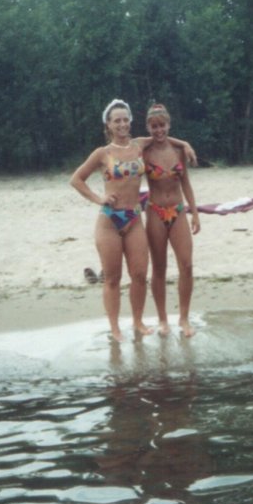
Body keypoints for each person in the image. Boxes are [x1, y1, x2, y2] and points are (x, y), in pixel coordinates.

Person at [70, 99, 195, 342]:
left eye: (126, 119)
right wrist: (98, 198)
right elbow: (76, 179)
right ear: (108, 124)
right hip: (110, 220)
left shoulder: (139, 145)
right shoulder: (102, 153)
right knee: (113, 278)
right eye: (117, 120)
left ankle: (137, 321)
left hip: (135, 217)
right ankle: (115, 328)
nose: (122, 124)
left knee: (139, 275)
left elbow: (165, 137)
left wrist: (186, 143)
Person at [142, 104, 200, 338]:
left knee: (186, 265)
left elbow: (185, 183)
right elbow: (132, 139)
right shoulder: (143, 150)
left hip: (177, 210)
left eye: (162, 125)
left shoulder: (178, 151)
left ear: (169, 124)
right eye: (154, 126)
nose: (158, 130)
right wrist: (185, 141)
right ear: (148, 127)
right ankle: (163, 319)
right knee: (159, 268)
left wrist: (194, 212)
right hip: (155, 211)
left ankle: (184, 318)